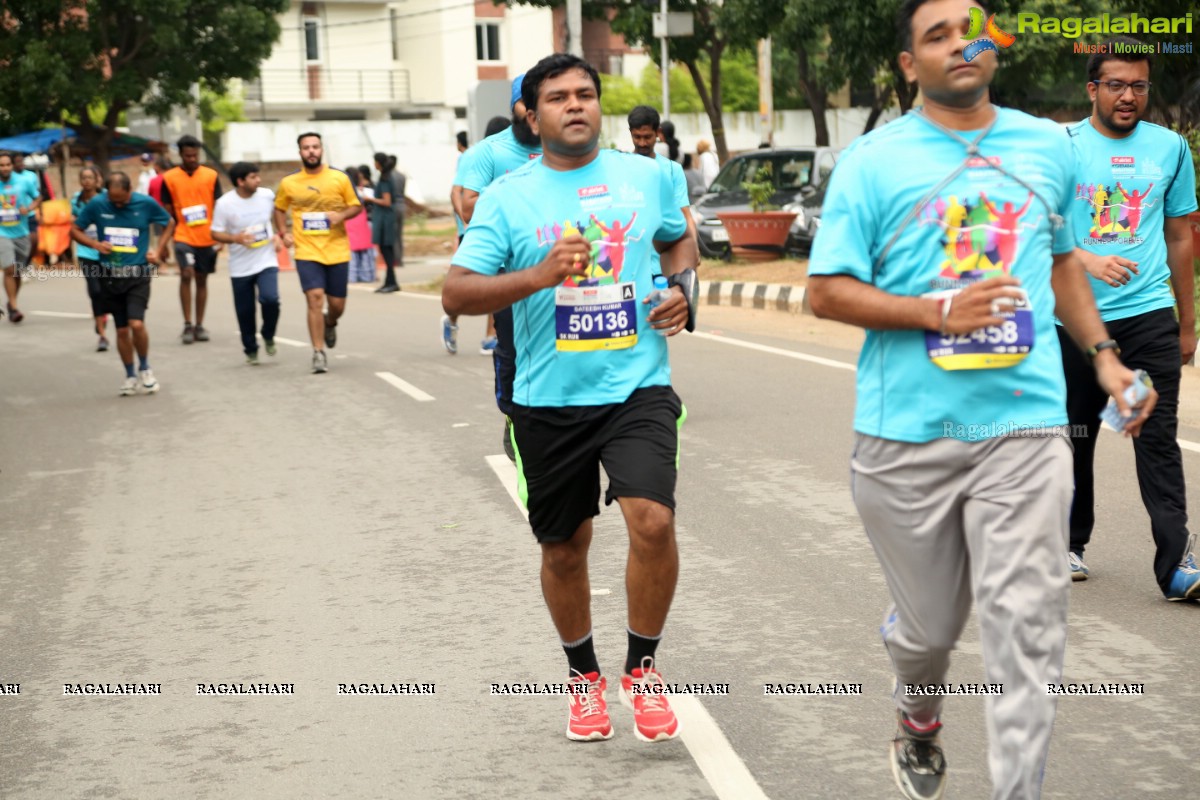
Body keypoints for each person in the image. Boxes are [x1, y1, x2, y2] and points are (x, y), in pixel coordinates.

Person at [804, 1, 1157, 797]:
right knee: (930, 632)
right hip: (906, 437)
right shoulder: (874, 161)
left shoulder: (1046, 146)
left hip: (1026, 428)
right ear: (908, 64)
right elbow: (825, 292)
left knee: (1028, 631)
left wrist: (1104, 360)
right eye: (938, 36)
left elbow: (1063, 261)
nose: (961, 44)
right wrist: (937, 312)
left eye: (974, 30)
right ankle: (918, 711)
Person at [443, 53, 699, 745]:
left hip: (636, 386)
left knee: (652, 521)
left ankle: (641, 671)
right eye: (558, 98)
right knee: (565, 548)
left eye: (586, 93)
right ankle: (584, 681)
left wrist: (684, 294)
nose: (576, 105)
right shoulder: (508, 197)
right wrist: (536, 275)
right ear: (532, 114)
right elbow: (457, 293)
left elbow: (678, 240)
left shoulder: (647, 177)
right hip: (547, 399)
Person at [1059, 38, 1199, 600]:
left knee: (1157, 436)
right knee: (1075, 435)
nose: (1128, 96)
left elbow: (1180, 238)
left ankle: (1176, 567)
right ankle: (1068, 543)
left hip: (1147, 317)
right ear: (1092, 89)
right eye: (1115, 84)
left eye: (1138, 85)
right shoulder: (1061, 148)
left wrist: (1188, 324)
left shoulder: (1169, 148)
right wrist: (1087, 258)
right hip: (1072, 319)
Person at [444, 75, 540, 358]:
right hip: (506, 267)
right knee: (510, 351)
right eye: (526, 102)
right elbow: (468, 207)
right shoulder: (488, 151)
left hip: (556, 267)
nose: (534, 110)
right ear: (514, 106)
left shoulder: (561, 149)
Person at [71, 172, 174, 396]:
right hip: (110, 275)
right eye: (113, 201)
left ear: (129, 191)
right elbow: (75, 229)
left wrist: (159, 249)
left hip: (138, 274)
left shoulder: (145, 203)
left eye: (122, 200)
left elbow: (169, 222)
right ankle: (129, 375)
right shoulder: (98, 204)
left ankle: (145, 368)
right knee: (122, 330)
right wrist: (95, 244)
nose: (117, 205)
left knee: (136, 324)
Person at [272, 131, 363, 374]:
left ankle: (330, 322)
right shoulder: (289, 183)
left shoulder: (339, 178)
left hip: (336, 250)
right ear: (300, 152)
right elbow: (279, 209)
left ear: (321, 149)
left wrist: (340, 215)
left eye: (315, 147)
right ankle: (318, 352)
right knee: (314, 299)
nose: (311, 151)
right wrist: (284, 233)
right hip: (306, 250)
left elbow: (356, 205)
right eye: (306, 148)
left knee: (337, 305)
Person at [210, 161, 282, 366]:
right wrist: (235, 239)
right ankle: (250, 348)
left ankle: (268, 334)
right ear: (240, 181)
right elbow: (215, 232)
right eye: (253, 177)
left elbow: (278, 211)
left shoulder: (266, 195)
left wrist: (278, 234)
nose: (258, 180)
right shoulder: (225, 203)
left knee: (270, 299)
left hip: (266, 259)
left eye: (258, 176)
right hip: (240, 266)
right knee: (245, 311)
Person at [161, 135, 223, 344]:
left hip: (207, 236)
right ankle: (187, 324)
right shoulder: (169, 178)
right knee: (186, 274)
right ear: (180, 154)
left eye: (195, 155)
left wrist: (220, 237)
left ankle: (199, 324)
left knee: (202, 278)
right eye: (188, 155)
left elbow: (220, 207)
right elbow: (167, 212)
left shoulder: (211, 176)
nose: (192, 159)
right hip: (183, 235)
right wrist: (165, 243)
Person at [628, 105, 698, 249]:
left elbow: (685, 215)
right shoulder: (621, 168)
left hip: (665, 261)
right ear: (630, 133)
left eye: (647, 137)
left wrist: (693, 247)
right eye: (637, 137)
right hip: (632, 258)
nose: (642, 143)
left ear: (658, 133)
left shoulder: (673, 170)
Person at [71, 166, 109, 350]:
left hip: (107, 251)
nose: (87, 181)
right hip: (86, 252)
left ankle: (102, 315)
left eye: (90, 177)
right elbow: (74, 225)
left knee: (106, 290)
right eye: (83, 177)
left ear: (97, 180)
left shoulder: (106, 198)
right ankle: (102, 335)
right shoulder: (76, 201)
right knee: (95, 291)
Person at [0, 151, 38, 323]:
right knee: (9, 269)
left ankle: (11, 300)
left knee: (17, 272)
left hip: (21, 232)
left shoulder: (24, 181)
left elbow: (38, 198)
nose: (5, 168)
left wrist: (29, 208)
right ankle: (14, 308)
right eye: (2, 165)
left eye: (7, 164)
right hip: (2, 234)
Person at [363, 153, 400, 293]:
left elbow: (387, 201)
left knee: (387, 251)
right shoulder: (385, 177)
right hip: (385, 218)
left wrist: (370, 199)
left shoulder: (385, 179)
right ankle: (389, 281)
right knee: (385, 250)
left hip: (385, 219)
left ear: (378, 163)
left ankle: (392, 281)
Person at [345, 164, 376, 285]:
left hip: (349, 221)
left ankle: (352, 275)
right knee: (364, 250)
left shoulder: (344, 191)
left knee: (351, 251)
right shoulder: (362, 190)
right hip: (362, 222)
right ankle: (367, 275)